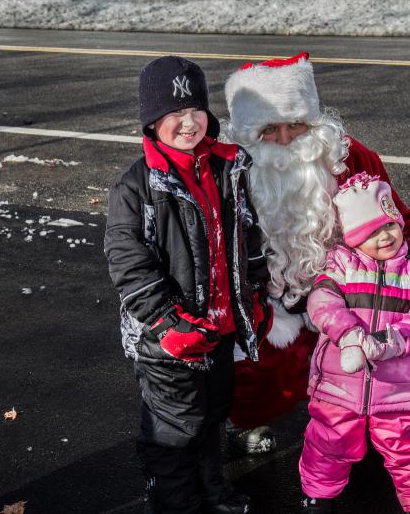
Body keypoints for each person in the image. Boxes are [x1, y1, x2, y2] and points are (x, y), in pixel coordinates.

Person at [221, 52, 410, 452]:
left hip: (347, 287)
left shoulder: (345, 155)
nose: (287, 139)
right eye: (271, 129)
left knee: (373, 354)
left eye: (297, 125)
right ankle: (244, 422)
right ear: (248, 132)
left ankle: (369, 420)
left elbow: (395, 216)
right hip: (261, 298)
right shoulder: (227, 170)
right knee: (257, 375)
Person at [104, 56, 270, 514]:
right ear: (153, 121)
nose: (188, 122)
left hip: (219, 329)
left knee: (213, 416)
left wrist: (255, 294)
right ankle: (177, 503)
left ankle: (213, 490)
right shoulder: (138, 185)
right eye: (175, 114)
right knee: (175, 428)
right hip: (168, 339)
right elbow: (128, 261)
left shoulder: (227, 168)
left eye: (195, 110)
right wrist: (164, 321)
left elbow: (248, 236)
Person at [300, 172, 410, 513]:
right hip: (338, 388)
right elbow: (322, 302)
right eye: (372, 231)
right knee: (327, 443)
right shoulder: (340, 265)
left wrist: (390, 341)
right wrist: (349, 336)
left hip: (397, 391)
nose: (385, 237)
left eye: (390, 226)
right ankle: (317, 497)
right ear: (352, 237)